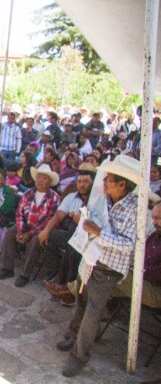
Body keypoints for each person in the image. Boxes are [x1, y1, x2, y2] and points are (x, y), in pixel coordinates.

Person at [56, 155, 141, 377]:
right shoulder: (103, 198)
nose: (103, 182)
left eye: (109, 179)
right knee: (81, 301)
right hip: (90, 258)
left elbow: (128, 244)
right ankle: (73, 335)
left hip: (108, 267)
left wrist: (99, 233)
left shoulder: (134, 210)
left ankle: (79, 356)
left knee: (93, 311)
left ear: (122, 184)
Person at [0, 164, 61, 286]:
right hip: (25, 226)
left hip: (41, 230)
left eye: (44, 178)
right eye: (38, 177)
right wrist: (20, 230)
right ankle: (6, 268)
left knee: (35, 240)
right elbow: (19, 213)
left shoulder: (54, 197)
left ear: (50, 181)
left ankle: (25, 274)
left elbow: (49, 220)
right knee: (10, 233)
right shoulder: (28, 193)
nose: (40, 180)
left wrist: (30, 234)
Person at [39, 169, 95, 306]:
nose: (82, 185)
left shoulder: (97, 200)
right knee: (51, 235)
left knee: (73, 248)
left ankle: (64, 285)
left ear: (92, 183)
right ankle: (56, 272)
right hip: (73, 236)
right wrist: (46, 230)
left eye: (86, 182)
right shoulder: (71, 197)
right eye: (79, 182)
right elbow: (58, 216)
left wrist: (81, 221)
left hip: (90, 241)